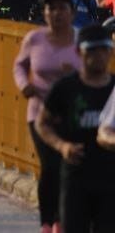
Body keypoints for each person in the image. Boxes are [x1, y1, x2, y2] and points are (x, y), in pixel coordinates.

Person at [12, 0, 80, 232]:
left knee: (68, 168)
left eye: (62, 8)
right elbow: (19, 65)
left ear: (72, 12)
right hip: (40, 113)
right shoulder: (34, 39)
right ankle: (46, 221)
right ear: (45, 12)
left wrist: (72, 76)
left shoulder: (81, 41)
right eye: (52, 8)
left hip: (73, 114)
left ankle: (62, 220)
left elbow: (94, 70)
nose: (57, 13)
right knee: (50, 166)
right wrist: (24, 84)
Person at [35, 24, 115, 232]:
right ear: (80, 52)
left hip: (110, 180)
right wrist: (61, 146)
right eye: (92, 50)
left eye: (104, 50)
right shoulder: (66, 87)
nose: (99, 56)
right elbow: (42, 122)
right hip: (76, 178)